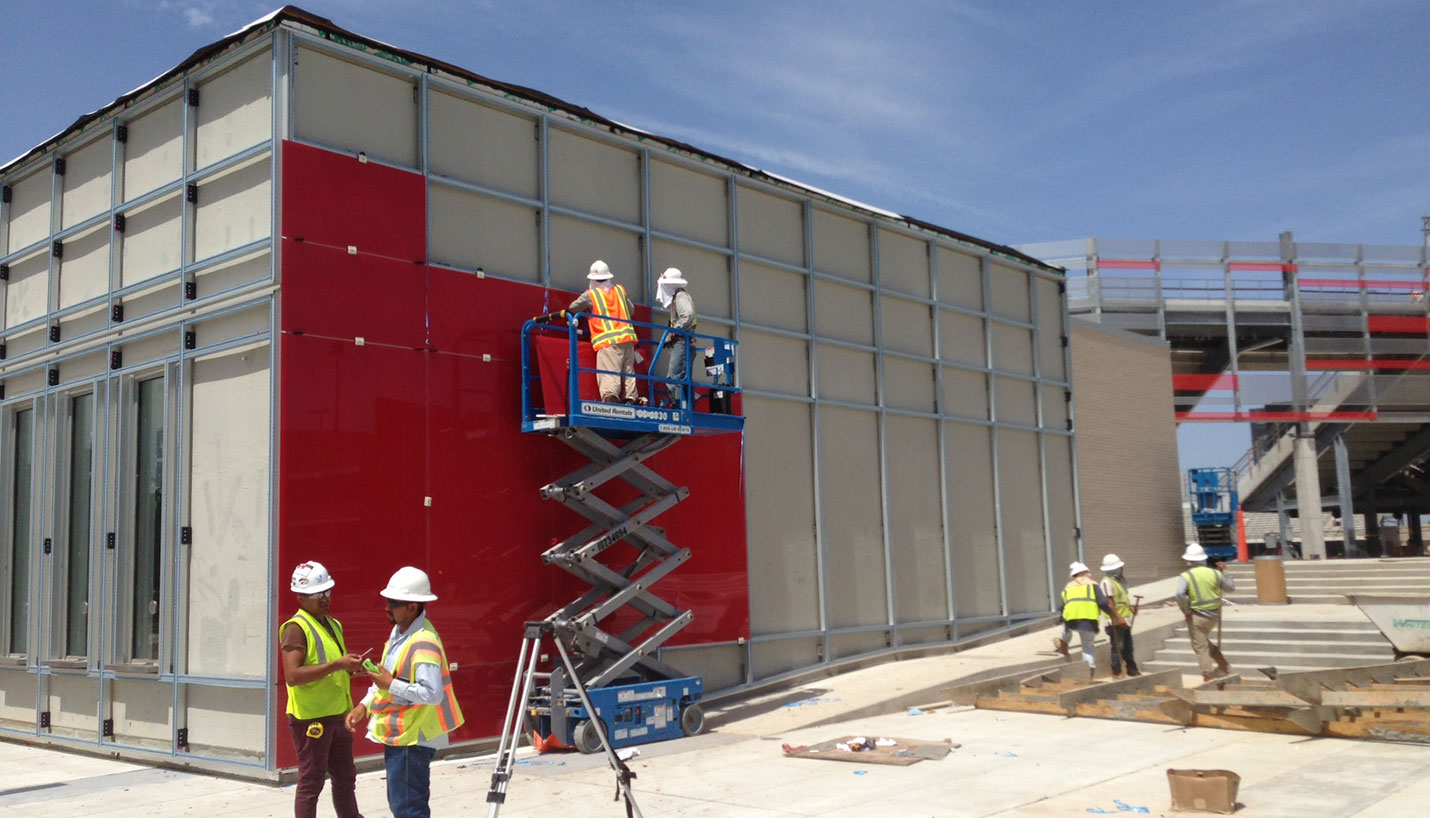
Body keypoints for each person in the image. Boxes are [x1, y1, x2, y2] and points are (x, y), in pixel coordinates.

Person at [345, 567, 464, 818]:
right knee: (402, 804)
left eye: (394, 602)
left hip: (414, 737)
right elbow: (385, 678)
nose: (387, 607)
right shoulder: (400, 634)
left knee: (408, 808)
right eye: (387, 600)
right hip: (403, 735)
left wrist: (391, 685)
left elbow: (433, 694)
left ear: (412, 606)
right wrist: (364, 705)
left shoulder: (423, 640)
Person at [280, 561, 365, 818]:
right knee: (311, 781)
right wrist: (338, 664)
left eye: (327, 591)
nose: (325, 598)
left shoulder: (333, 624)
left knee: (345, 777)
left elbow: (332, 666)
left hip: (338, 715)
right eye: (318, 594)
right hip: (311, 719)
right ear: (301, 596)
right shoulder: (296, 628)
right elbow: (293, 675)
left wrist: (351, 668)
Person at [564, 260, 641, 404]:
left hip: (608, 342)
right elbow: (631, 310)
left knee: (609, 372)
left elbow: (573, 308)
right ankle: (631, 398)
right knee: (628, 371)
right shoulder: (619, 291)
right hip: (628, 340)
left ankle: (611, 399)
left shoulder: (591, 295)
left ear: (592, 279)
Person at [1054, 561, 1127, 678]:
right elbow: (1103, 603)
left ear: (1074, 575)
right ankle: (1089, 676)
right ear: (1084, 572)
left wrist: (1062, 619)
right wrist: (1112, 614)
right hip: (1088, 620)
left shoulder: (1068, 587)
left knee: (1065, 633)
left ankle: (1063, 646)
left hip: (1070, 619)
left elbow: (1064, 606)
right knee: (1087, 647)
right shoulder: (1093, 585)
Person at [1176, 542, 1235, 681]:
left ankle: (1208, 676)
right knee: (1204, 643)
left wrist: (1186, 610)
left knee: (1200, 647)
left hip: (1197, 616)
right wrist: (1225, 572)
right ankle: (1224, 665)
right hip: (1213, 615)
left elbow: (1179, 594)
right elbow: (1230, 588)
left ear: (1188, 561)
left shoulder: (1186, 576)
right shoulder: (1214, 573)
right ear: (1203, 559)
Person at [656, 267, 697, 409]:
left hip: (683, 343)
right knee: (678, 375)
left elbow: (688, 315)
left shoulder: (681, 297)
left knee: (675, 376)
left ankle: (680, 404)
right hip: (681, 343)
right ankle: (686, 401)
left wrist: (674, 331)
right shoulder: (677, 298)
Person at [1099, 553, 1139, 678]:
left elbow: (1122, 599)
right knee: (1118, 646)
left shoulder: (1117, 582)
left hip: (1124, 618)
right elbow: (1110, 603)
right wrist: (1119, 618)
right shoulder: (1106, 583)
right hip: (1116, 621)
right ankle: (1116, 671)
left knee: (1128, 645)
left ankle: (1131, 669)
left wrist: (1131, 609)